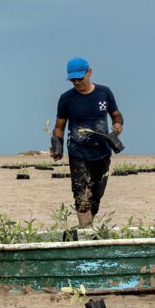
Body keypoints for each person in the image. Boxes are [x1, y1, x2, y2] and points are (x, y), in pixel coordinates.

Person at [50, 57, 124, 227]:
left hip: (102, 153)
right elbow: (59, 127)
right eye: (72, 80)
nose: (76, 82)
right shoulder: (66, 99)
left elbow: (116, 115)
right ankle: (86, 231)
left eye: (79, 78)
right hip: (78, 153)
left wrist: (118, 126)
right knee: (81, 195)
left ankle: (87, 227)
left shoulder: (104, 93)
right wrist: (57, 146)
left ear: (89, 72)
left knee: (95, 196)